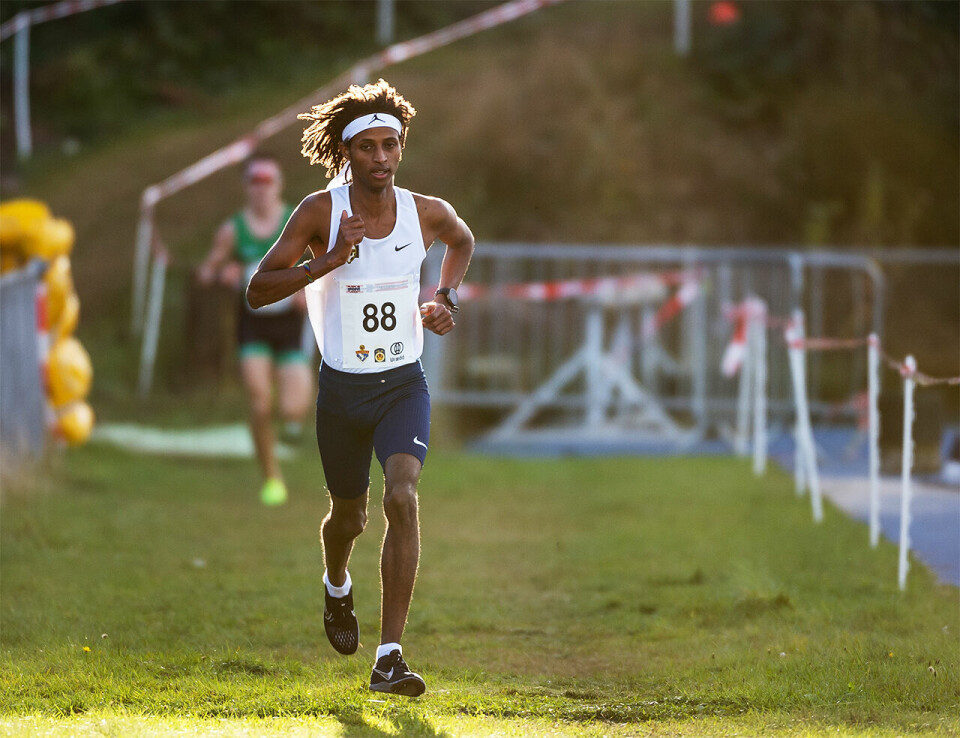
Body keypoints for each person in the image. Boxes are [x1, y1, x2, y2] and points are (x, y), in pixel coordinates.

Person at [246, 79, 474, 696]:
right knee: (348, 517)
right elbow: (258, 288)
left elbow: (462, 240)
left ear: (401, 149)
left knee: (403, 497)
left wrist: (443, 297)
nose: (381, 157)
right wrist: (325, 261)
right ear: (348, 154)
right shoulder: (321, 213)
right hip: (342, 393)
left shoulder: (424, 211)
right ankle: (336, 582)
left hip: (403, 384)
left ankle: (389, 657)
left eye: (391, 145)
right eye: (369, 147)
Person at [197, 153, 313, 507]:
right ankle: (271, 475)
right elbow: (206, 272)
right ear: (246, 188)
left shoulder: (298, 221)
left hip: (291, 326)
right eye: (254, 183)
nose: (261, 191)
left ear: (279, 186)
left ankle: (288, 426)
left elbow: (327, 261)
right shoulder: (233, 229)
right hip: (253, 326)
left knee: (293, 410)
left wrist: (309, 288)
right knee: (260, 403)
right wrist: (223, 275)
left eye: (268, 183)